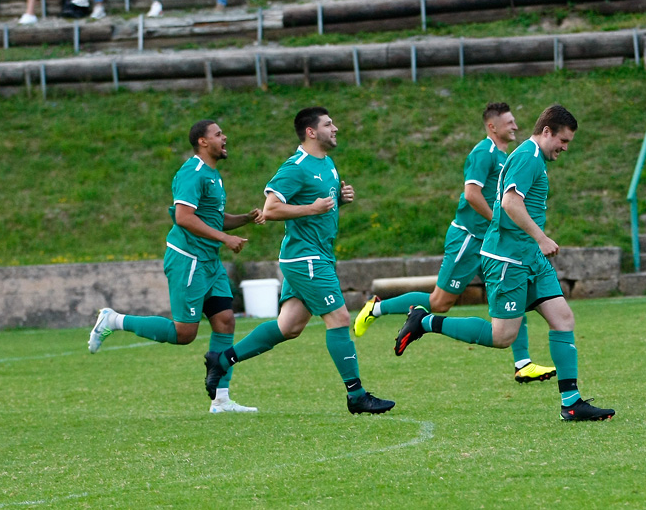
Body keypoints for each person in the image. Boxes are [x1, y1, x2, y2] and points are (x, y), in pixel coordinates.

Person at [394, 105, 615, 422]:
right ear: (547, 132)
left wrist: (535, 245)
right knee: (502, 337)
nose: (565, 148)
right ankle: (424, 323)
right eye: (563, 141)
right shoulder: (527, 156)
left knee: (563, 318)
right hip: (508, 260)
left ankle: (572, 402)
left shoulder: (533, 157)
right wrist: (541, 237)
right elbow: (511, 202)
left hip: (530, 258)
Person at [203, 107, 396, 416]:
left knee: (289, 326)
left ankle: (223, 359)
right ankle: (356, 395)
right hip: (306, 258)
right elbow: (272, 209)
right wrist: (313, 208)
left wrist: (339, 201)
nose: (335, 128)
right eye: (328, 124)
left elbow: (319, 207)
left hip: (314, 255)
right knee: (340, 319)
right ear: (311, 132)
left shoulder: (327, 164)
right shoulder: (296, 167)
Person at [355, 103, 556, 384]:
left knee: (514, 293)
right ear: (492, 126)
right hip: (468, 238)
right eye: (509, 122)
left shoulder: (505, 155)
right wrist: (498, 221)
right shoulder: (483, 152)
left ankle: (522, 363)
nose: (515, 127)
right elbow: (472, 194)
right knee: (440, 302)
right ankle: (376, 307)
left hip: (493, 242)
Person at [89, 120, 265, 414]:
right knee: (185, 333)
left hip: (209, 261)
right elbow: (184, 217)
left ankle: (221, 400)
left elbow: (211, 219)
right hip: (188, 260)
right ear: (202, 142)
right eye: (218, 134)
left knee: (225, 321)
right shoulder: (192, 173)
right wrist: (225, 238)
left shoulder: (213, 175)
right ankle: (113, 320)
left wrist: (245, 218)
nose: (225, 138)